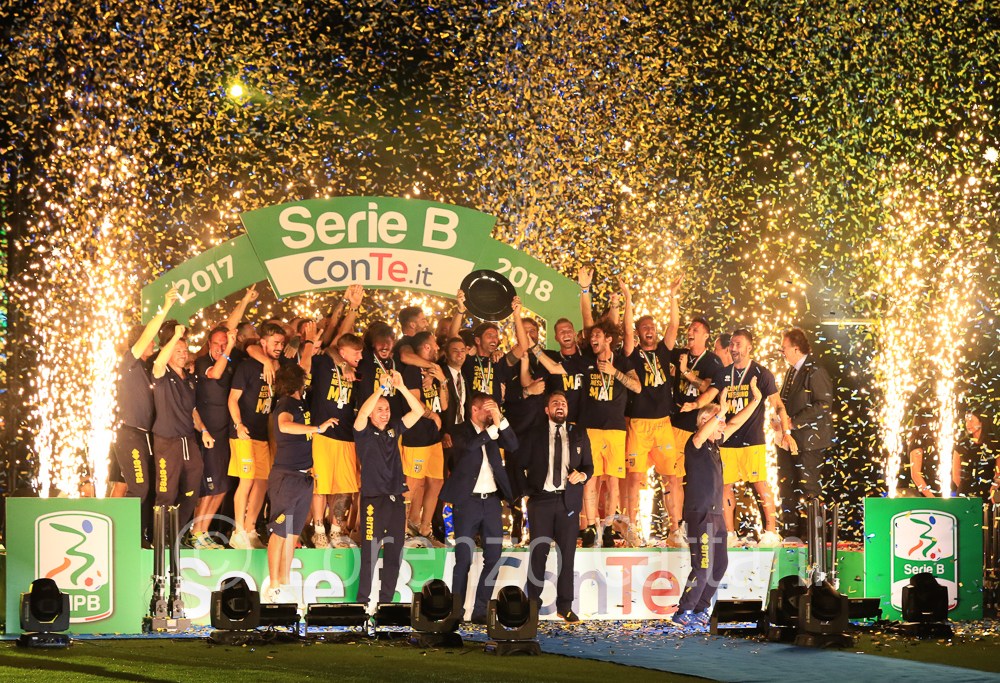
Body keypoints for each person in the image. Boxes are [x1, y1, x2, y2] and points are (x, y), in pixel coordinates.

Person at [682, 328, 789, 546]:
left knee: (760, 484)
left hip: (752, 439)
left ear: (749, 347)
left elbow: (778, 404)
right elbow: (710, 394)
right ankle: (729, 533)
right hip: (726, 437)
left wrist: (785, 431)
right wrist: (695, 404)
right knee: (725, 486)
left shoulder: (761, 373)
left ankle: (771, 532)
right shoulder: (724, 374)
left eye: (738, 344)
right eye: (731, 344)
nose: (733, 348)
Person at [673, 378, 763, 629]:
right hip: (700, 514)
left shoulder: (716, 445)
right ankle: (683, 610)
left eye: (721, 419)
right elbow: (706, 431)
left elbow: (735, 423)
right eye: (717, 419)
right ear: (705, 421)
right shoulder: (695, 444)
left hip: (716, 515)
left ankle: (700, 608)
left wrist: (756, 401)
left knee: (719, 565)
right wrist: (720, 410)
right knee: (702, 566)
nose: (723, 422)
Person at [439, 392, 519, 623]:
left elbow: (513, 445)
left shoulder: (495, 430)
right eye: (488, 408)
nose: (491, 413)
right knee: (463, 558)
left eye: (494, 408)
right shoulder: (458, 431)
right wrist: (493, 429)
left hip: (492, 502)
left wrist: (500, 419)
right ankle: (456, 611)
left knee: (493, 557)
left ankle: (481, 609)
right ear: (474, 410)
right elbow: (469, 447)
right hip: (467, 503)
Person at [353, 369, 427, 609]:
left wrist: (402, 387)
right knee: (370, 554)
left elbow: (418, 411)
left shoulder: (394, 428)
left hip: (395, 498)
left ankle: (386, 604)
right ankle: (362, 603)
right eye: (380, 410)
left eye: (387, 409)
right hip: (373, 500)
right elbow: (362, 413)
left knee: (395, 553)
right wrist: (380, 390)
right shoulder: (363, 432)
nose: (385, 413)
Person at [263, 364, 338, 604]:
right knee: (279, 533)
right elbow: (284, 425)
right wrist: (318, 428)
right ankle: (273, 585)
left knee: (292, 534)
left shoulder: (301, 403)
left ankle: (285, 583)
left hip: (304, 477)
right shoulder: (285, 403)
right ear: (299, 382)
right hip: (286, 477)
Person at [516, 391, 593, 622]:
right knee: (538, 554)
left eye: (563, 403)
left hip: (568, 502)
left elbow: (589, 466)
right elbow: (518, 465)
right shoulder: (534, 433)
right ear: (547, 410)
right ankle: (532, 604)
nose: (560, 406)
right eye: (555, 403)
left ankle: (565, 606)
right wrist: (526, 492)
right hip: (541, 501)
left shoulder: (579, 433)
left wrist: (582, 475)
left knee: (567, 556)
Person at [112, 285, 179, 544]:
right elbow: (149, 332)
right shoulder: (129, 362)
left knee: (146, 489)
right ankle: (123, 536)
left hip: (144, 436)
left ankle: (138, 536)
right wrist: (166, 307)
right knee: (138, 488)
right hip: (130, 434)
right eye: (151, 340)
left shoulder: (143, 367)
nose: (154, 343)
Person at [620, 276, 681, 546]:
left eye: (652, 327)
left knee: (671, 478)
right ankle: (632, 529)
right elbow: (626, 331)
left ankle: (675, 530)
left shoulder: (664, 352)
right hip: (639, 424)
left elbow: (674, 324)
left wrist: (673, 295)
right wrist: (628, 299)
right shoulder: (632, 354)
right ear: (638, 332)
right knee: (635, 478)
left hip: (663, 424)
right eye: (645, 327)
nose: (650, 331)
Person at [227, 322, 290, 549]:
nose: (279, 347)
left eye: (282, 343)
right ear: (263, 342)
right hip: (243, 432)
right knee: (246, 481)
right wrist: (238, 424)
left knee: (262, 482)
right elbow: (233, 399)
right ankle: (238, 531)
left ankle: (250, 528)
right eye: (275, 343)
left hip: (262, 434)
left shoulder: (278, 366)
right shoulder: (247, 367)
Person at [669, 317, 725, 545]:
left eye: (696, 329)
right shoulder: (679, 354)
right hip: (676, 424)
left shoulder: (713, 361)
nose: (690, 332)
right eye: (689, 328)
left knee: (697, 478)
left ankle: (704, 524)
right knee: (673, 478)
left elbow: (710, 389)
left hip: (700, 428)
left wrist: (686, 373)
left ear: (706, 335)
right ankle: (676, 527)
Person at [776, 328, 834, 539]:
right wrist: (779, 421)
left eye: (784, 348)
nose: (782, 352)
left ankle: (814, 535)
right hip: (788, 439)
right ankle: (790, 531)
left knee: (809, 488)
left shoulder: (815, 370)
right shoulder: (791, 371)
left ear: (796, 348)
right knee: (787, 485)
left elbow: (824, 404)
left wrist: (794, 422)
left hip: (810, 441)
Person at [308, 333, 364, 548]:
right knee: (320, 486)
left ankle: (336, 530)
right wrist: (342, 363)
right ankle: (318, 531)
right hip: (322, 434)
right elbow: (329, 349)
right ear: (342, 352)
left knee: (344, 487)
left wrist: (348, 365)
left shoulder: (359, 371)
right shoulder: (324, 363)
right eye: (356, 352)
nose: (359, 356)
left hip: (347, 437)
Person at [151, 323, 209, 529]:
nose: (183, 354)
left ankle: (176, 532)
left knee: (192, 490)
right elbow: (159, 362)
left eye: (185, 350)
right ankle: (160, 537)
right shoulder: (162, 374)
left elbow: (192, 410)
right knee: (166, 493)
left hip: (188, 440)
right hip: (167, 442)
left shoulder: (189, 378)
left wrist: (203, 430)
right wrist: (175, 337)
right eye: (178, 351)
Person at [400, 331, 449, 544]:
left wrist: (443, 381)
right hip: (416, 435)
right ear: (426, 347)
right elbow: (414, 401)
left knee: (436, 481)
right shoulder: (412, 370)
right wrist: (432, 415)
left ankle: (424, 527)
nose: (437, 348)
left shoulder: (434, 370)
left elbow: (445, 405)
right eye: (434, 344)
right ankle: (401, 529)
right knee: (411, 484)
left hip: (433, 438)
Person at [954, 412, 998, 501]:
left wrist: (994, 487)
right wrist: (968, 491)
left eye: (971, 421)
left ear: (981, 422)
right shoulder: (961, 445)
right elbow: (956, 476)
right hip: (965, 496)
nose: (968, 425)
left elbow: (998, 474)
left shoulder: (994, 445)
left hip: (987, 495)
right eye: (966, 421)